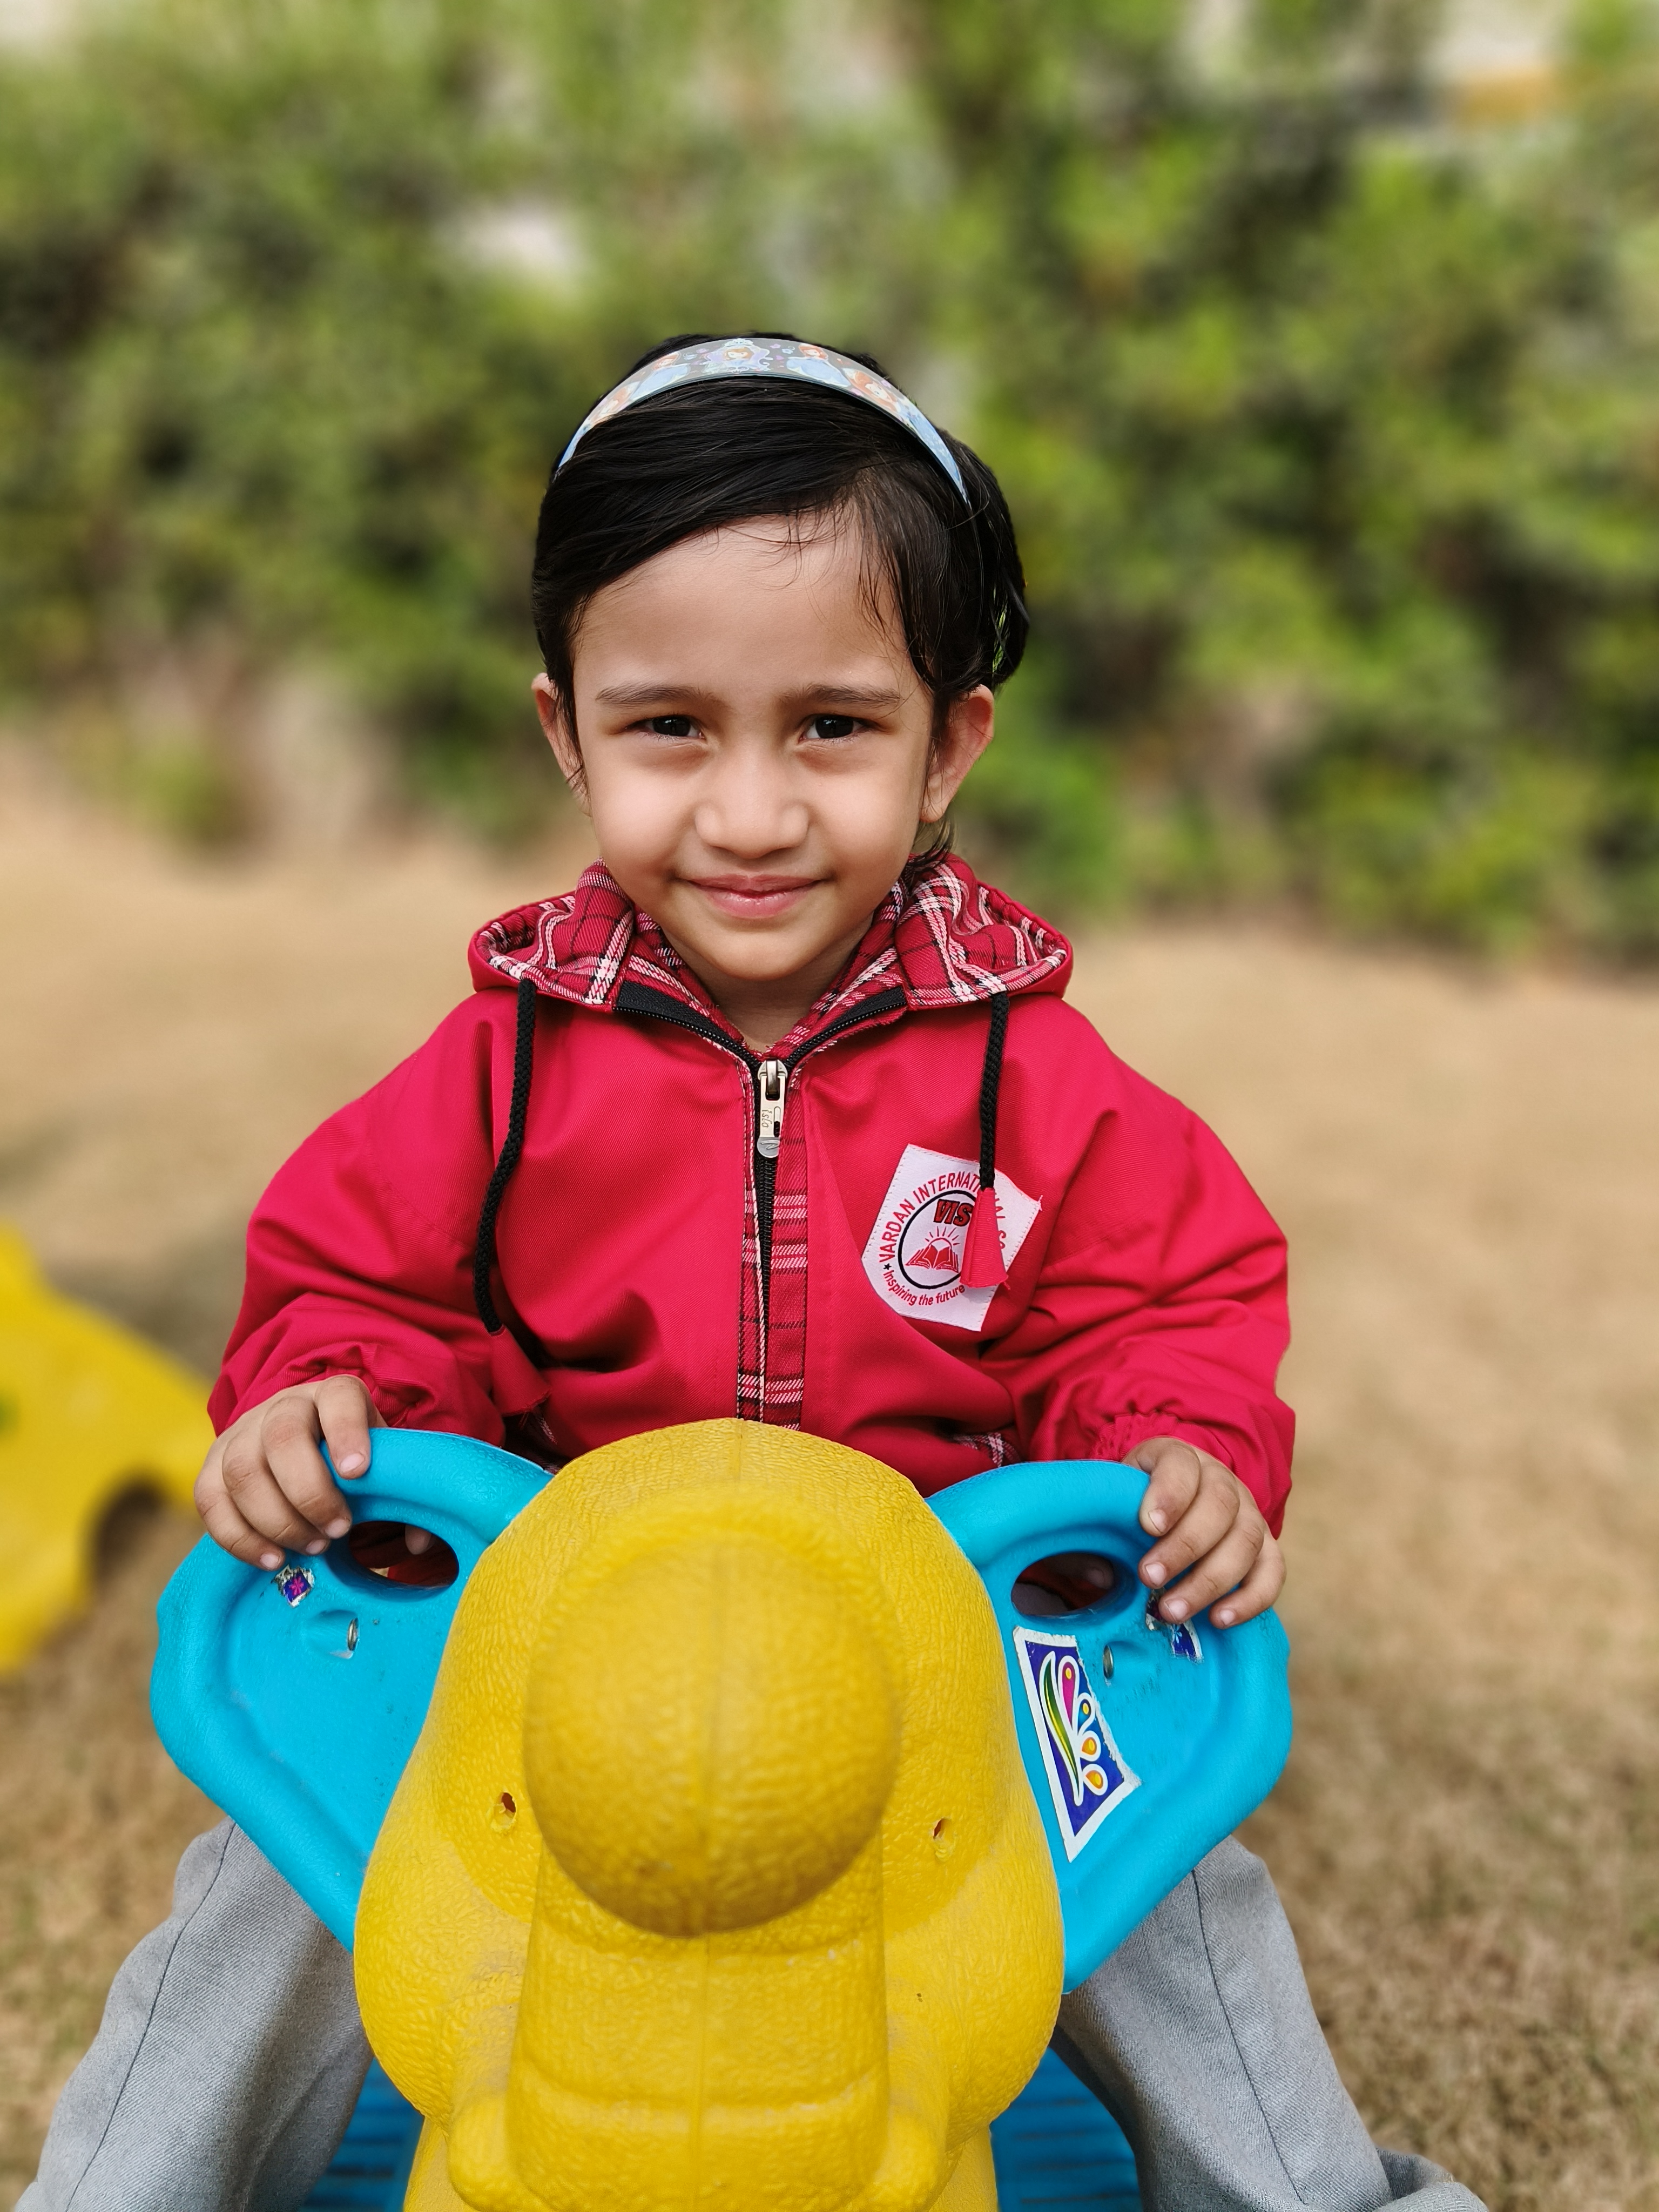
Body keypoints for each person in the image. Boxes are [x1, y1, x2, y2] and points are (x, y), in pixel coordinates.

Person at [23, 334, 1483, 2212]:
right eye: (670, 730)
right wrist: (336, 1403)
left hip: (936, 1663)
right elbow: (358, 1280)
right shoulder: (504, 1063)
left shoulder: (1031, 1077)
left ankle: (1316, 2202)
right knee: (282, 1866)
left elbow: (1161, 1300)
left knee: (1169, 1883)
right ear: (567, 734)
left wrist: (1174, 1449)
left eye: (831, 729)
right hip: (557, 1666)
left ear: (950, 743)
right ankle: (124, 2193)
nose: (750, 813)